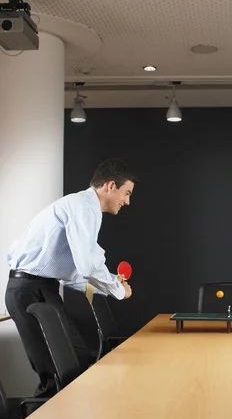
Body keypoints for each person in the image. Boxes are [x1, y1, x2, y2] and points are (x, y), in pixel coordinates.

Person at [5, 158, 137, 397]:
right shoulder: (84, 207)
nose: (127, 201)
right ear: (110, 186)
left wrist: (110, 284)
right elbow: (87, 265)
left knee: (77, 361)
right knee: (54, 374)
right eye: (126, 193)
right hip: (27, 291)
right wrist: (118, 290)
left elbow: (73, 276)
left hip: (44, 288)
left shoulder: (85, 209)